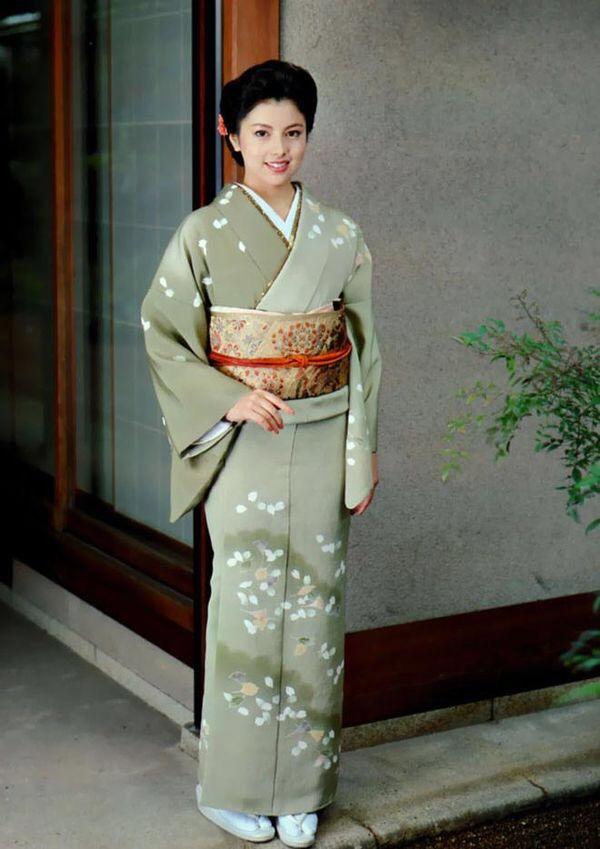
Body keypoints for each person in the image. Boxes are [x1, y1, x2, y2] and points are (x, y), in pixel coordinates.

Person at [140, 59, 381, 847]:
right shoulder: (203, 234)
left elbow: (363, 348)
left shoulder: (339, 234)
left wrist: (361, 450)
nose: (279, 149)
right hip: (246, 441)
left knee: (316, 604)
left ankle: (304, 786)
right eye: (262, 132)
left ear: (308, 135)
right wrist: (227, 397)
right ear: (231, 136)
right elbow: (165, 335)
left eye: (294, 132)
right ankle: (232, 786)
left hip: (323, 432)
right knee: (245, 606)